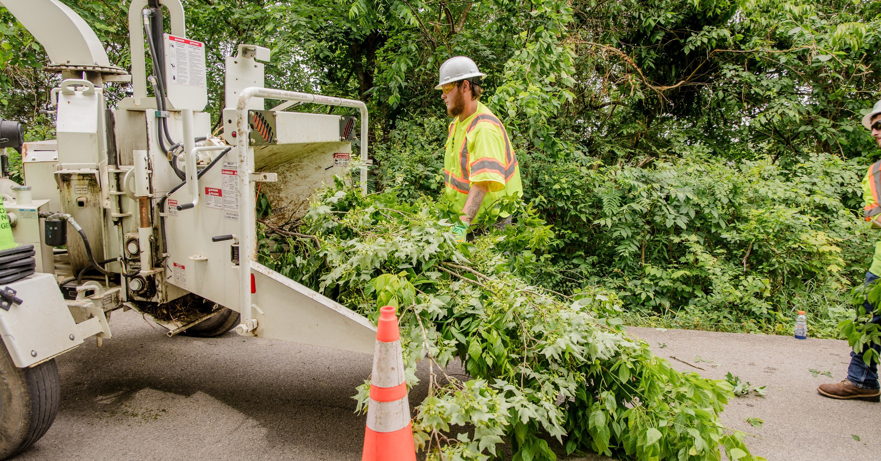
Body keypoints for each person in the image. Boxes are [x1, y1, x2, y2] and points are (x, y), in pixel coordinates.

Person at [817, 100, 881, 402]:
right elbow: (871, 213)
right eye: (874, 127)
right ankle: (862, 380)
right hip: (880, 267)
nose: (876, 132)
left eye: (880, 125)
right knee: (867, 323)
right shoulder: (875, 172)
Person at [436, 56, 523, 243]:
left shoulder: (484, 128)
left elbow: (481, 184)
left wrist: (461, 227)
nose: (443, 95)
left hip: (490, 223)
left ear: (465, 86)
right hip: (468, 220)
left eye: (446, 88)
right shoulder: (458, 123)